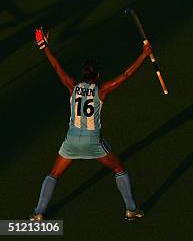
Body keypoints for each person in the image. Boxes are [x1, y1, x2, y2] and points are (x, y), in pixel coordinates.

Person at [30, 27, 152, 221]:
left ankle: (38, 213)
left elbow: (56, 67)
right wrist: (144, 55)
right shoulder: (101, 90)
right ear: (97, 76)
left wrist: (44, 46)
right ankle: (131, 209)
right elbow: (126, 74)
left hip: (71, 142)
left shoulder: (72, 86)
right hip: (93, 143)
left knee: (54, 174)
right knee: (119, 169)